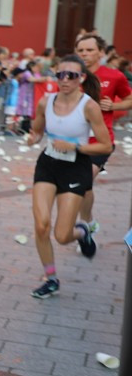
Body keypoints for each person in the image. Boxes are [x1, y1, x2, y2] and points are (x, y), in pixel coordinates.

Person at [27, 54, 110, 299]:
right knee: (41, 226)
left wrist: (75, 147)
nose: (64, 80)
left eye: (71, 76)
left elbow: (105, 145)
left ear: (81, 78)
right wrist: (33, 138)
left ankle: (82, 232)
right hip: (48, 165)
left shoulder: (89, 106)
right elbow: (37, 130)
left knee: (62, 236)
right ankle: (51, 278)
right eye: (60, 75)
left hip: (76, 167)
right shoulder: (46, 101)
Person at [74, 34, 130, 234]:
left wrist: (115, 105)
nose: (85, 54)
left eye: (89, 50)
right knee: (79, 186)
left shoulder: (114, 76)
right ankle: (88, 221)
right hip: (74, 140)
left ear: (100, 52)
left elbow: (130, 98)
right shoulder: (71, 75)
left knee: (83, 179)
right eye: (81, 50)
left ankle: (84, 224)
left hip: (100, 140)